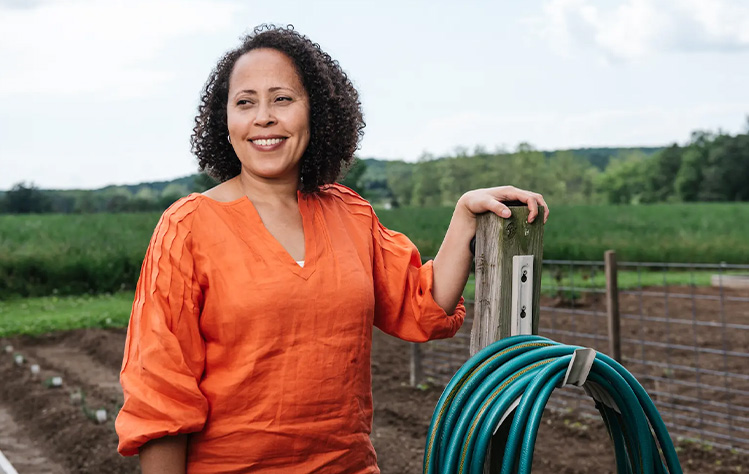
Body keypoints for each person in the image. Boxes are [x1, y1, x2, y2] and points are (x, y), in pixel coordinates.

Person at [115, 24, 549, 474]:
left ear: (315, 112)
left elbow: (422, 306)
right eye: (245, 102)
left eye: (282, 99)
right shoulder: (186, 227)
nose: (263, 117)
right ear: (225, 122)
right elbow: (161, 390)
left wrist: (463, 217)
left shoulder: (349, 213)